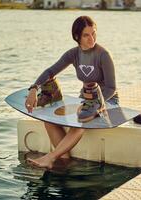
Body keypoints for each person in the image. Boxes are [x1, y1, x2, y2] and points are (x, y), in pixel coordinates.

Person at [25, 16, 118, 169]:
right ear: (77, 37)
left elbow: (111, 88)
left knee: (80, 121)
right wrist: (34, 89)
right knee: (49, 119)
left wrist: (95, 105)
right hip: (85, 100)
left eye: (94, 33)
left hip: (108, 100)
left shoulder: (103, 55)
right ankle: (64, 160)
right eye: (86, 35)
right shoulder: (73, 54)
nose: (91, 38)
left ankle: (51, 157)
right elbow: (51, 71)